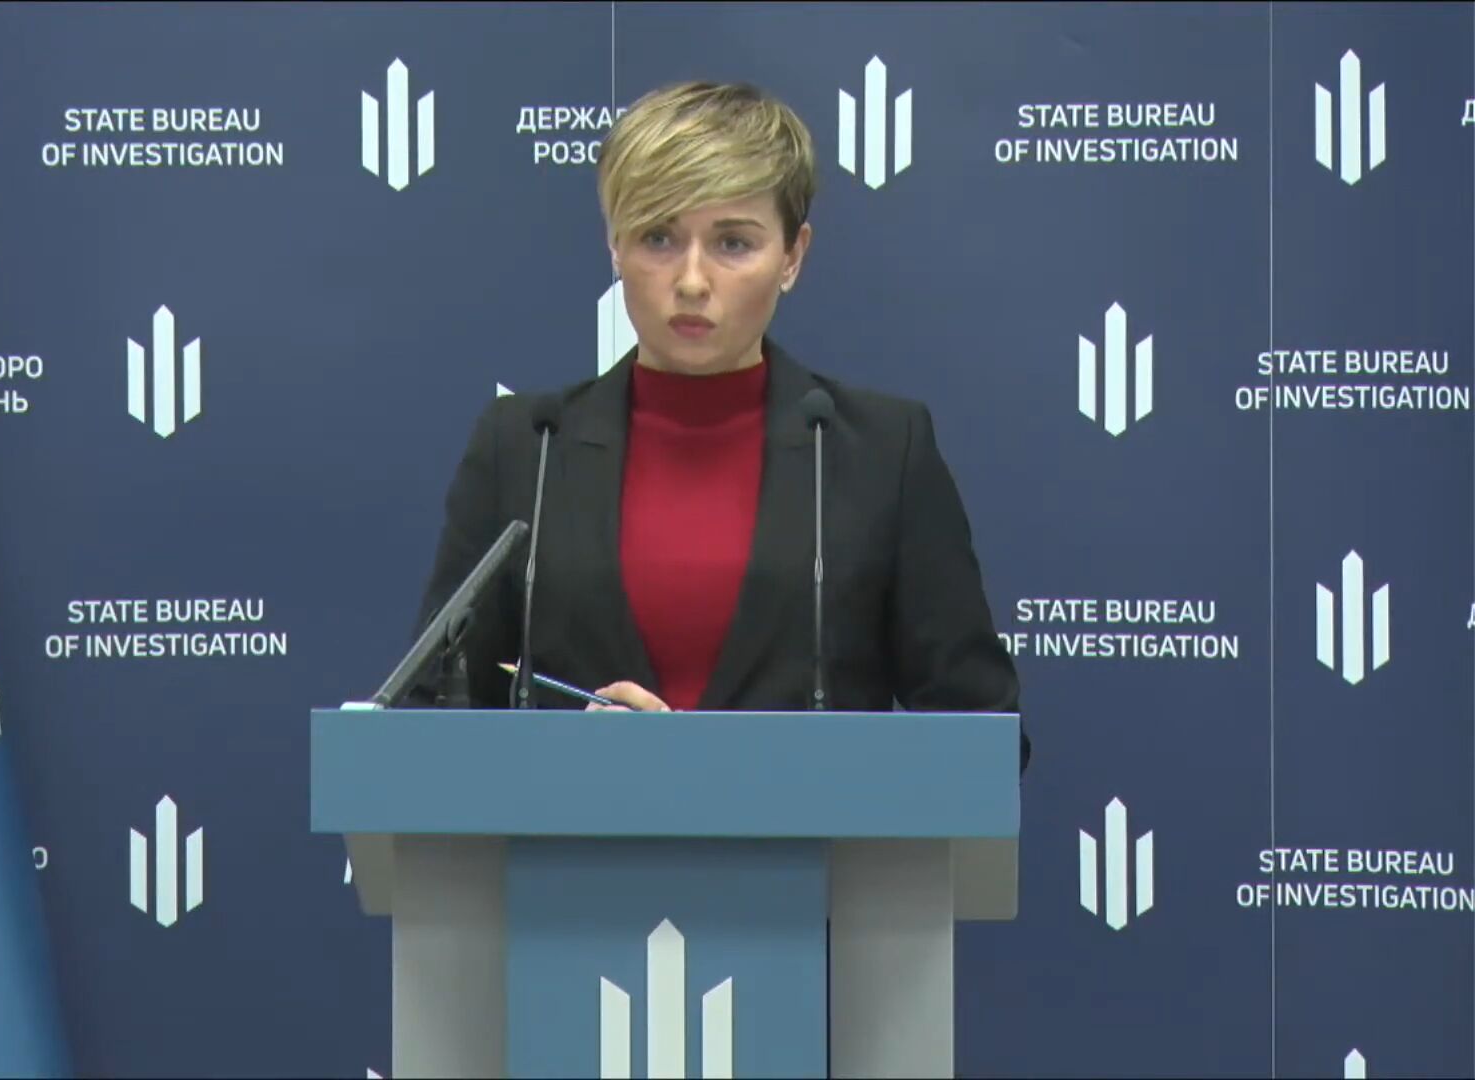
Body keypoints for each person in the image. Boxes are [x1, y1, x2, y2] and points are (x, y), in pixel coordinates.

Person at [407, 80, 1029, 773]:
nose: (693, 280)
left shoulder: (882, 452)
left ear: (792, 256)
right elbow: (427, 720)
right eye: (659, 237)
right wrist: (565, 758)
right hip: (573, 841)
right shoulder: (526, 448)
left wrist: (749, 772)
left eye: (733, 243)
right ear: (615, 246)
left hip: (813, 845)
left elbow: (984, 740)